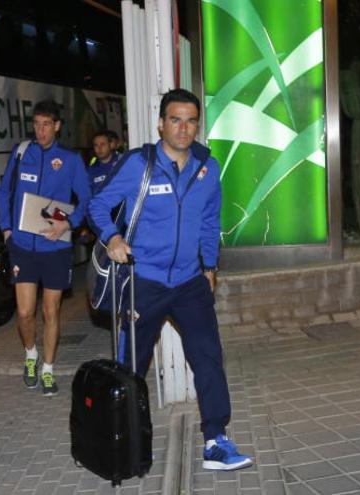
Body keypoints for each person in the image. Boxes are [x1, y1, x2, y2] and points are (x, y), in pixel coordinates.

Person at [87, 89, 253, 471]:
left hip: (189, 281)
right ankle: (122, 441)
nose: (183, 128)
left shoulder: (206, 169)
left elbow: (211, 221)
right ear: (161, 123)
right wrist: (113, 237)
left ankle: (216, 440)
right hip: (143, 281)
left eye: (191, 120)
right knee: (130, 365)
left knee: (208, 357)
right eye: (175, 119)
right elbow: (97, 204)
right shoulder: (138, 165)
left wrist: (209, 266)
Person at [0, 100, 90, 397]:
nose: (41, 130)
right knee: (24, 313)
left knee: (51, 311)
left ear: (57, 126)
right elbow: (4, 191)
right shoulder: (22, 153)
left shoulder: (70, 160)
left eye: (46, 124)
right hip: (22, 245)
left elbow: (87, 198)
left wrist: (69, 223)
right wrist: (7, 229)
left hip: (55, 248)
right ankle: (31, 356)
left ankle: (48, 370)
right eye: (36, 124)